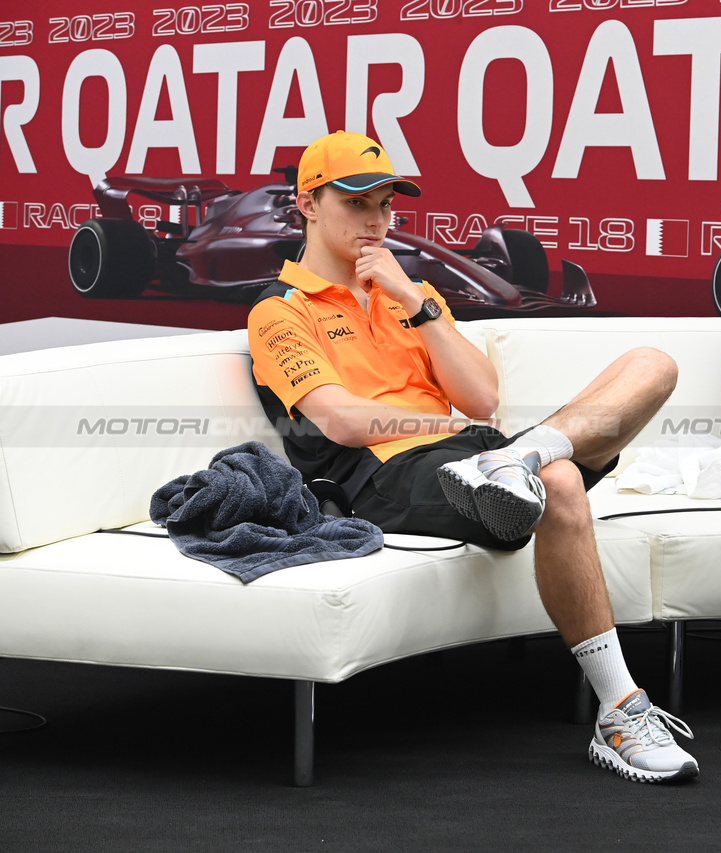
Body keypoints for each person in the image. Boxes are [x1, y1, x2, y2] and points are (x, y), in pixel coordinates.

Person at [248, 131, 697, 784]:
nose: (376, 221)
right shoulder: (279, 310)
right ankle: (622, 711)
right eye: (356, 204)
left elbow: (483, 397)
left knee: (653, 365)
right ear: (308, 205)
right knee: (563, 482)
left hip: (476, 453)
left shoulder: (413, 296)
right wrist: (438, 422)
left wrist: (412, 299)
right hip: (384, 477)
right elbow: (340, 419)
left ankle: (520, 461)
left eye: (385, 206)